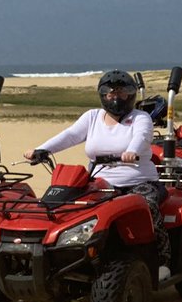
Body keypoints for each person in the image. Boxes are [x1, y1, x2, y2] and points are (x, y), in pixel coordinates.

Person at [23, 69, 172, 279]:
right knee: (71, 209)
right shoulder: (92, 117)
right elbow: (70, 135)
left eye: (121, 92)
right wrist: (42, 150)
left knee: (146, 206)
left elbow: (142, 136)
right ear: (103, 95)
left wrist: (132, 152)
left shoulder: (141, 117)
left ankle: (161, 261)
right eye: (111, 92)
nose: (116, 97)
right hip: (100, 183)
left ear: (130, 95)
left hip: (139, 182)